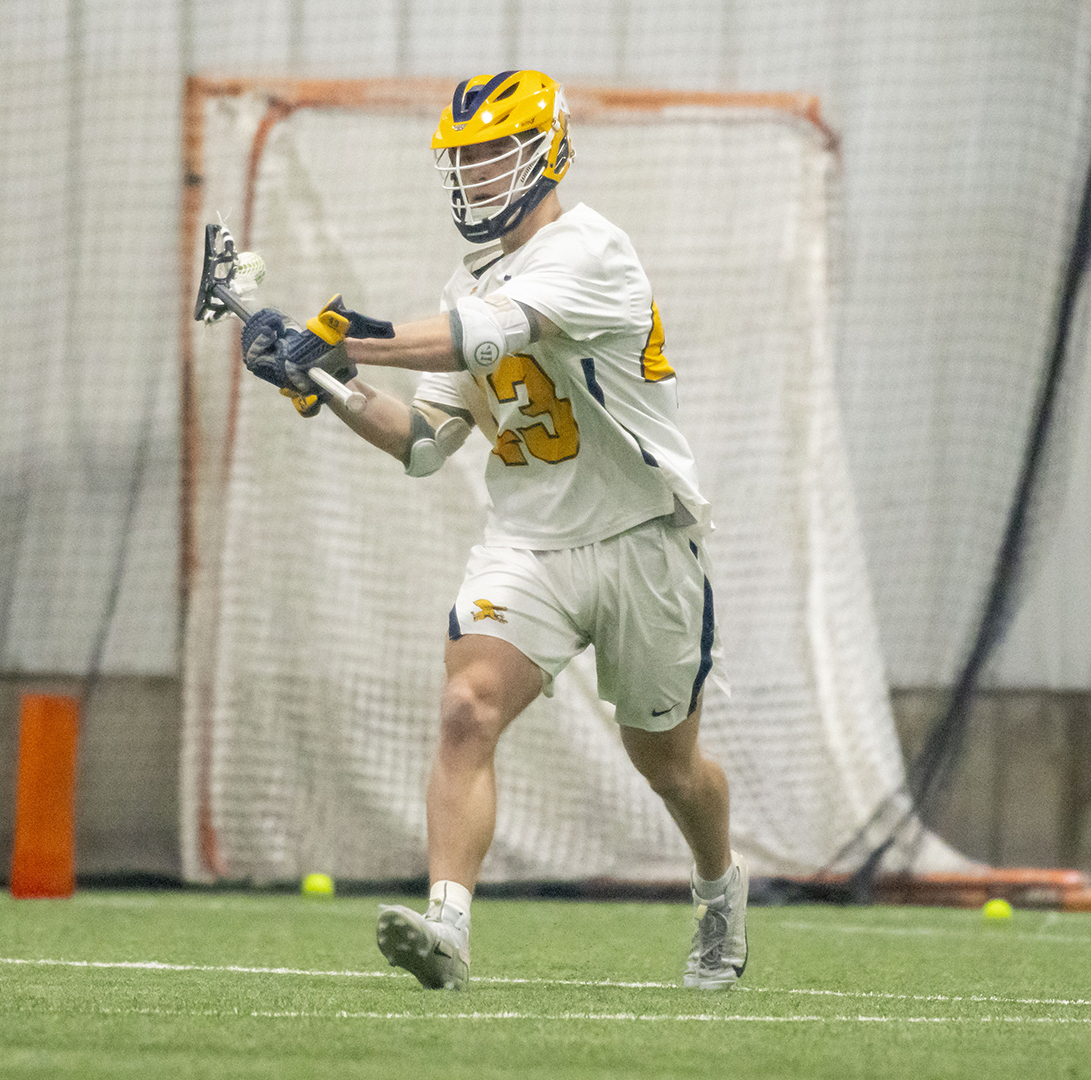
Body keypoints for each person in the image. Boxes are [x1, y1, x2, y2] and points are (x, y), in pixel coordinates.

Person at [239, 70, 745, 991]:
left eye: (494, 156)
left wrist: (345, 341)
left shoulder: (592, 250)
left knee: (670, 767)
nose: (476, 178)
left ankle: (718, 892)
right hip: (530, 546)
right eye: (464, 162)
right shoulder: (460, 282)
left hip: (643, 538)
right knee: (466, 708)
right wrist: (324, 382)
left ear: (548, 152)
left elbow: (482, 335)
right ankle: (448, 930)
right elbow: (426, 442)